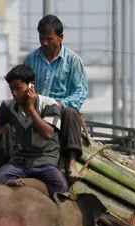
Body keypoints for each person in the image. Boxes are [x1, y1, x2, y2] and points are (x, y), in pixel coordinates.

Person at [0, 65, 69, 198]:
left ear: (31, 86)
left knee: (61, 187)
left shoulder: (49, 104)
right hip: (19, 163)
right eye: (11, 89)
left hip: (45, 162)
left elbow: (48, 134)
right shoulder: (7, 106)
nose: (14, 93)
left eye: (18, 88)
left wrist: (31, 109)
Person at [23, 14, 87, 178]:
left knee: (71, 112)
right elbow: (24, 85)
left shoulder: (73, 60)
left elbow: (80, 92)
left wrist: (60, 104)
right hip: (37, 111)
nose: (45, 43)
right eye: (41, 38)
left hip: (62, 112)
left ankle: (71, 163)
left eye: (49, 39)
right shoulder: (30, 59)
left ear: (60, 37)